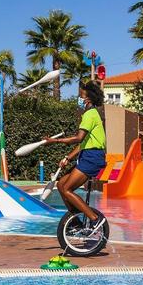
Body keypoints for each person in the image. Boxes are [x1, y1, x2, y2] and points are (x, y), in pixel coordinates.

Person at [43, 81, 107, 233]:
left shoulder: (90, 114)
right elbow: (82, 144)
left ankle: (95, 219)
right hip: (86, 155)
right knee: (61, 185)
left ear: (88, 99)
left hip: (92, 157)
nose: (79, 98)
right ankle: (76, 220)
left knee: (67, 189)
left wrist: (54, 141)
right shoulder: (90, 114)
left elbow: (78, 138)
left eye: (81, 96)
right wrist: (68, 158)